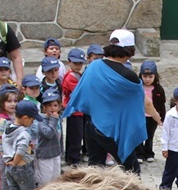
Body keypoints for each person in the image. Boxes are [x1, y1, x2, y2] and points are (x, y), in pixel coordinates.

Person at [63, 29, 160, 174]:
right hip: (113, 132)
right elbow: (144, 103)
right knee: (132, 171)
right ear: (130, 51)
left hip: (92, 126)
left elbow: (83, 93)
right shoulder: (129, 76)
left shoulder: (93, 66)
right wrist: (156, 116)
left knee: (95, 171)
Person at [3, 99, 40, 190]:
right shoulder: (24, 133)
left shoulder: (8, 129)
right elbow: (20, 149)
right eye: (32, 119)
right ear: (25, 118)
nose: (33, 122)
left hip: (9, 167)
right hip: (21, 167)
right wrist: (16, 161)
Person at [0, 84, 19, 190]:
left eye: (15, 101)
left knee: (13, 176)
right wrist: (4, 154)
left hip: (15, 153)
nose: (13, 104)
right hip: (2, 155)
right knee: (5, 176)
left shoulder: (17, 118)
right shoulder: (1, 121)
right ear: (3, 104)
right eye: (9, 101)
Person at [137, 61, 166, 164]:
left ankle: (149, 153)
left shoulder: (158, 89)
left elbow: (162, 104)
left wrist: (162, 117)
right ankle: (139, 153)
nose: (147, 79)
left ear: (155, 76)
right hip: (139, 116)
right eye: (145, 76)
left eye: (150, 77)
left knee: (150, 135)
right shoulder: (138, 87)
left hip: (152, 117)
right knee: (139, 135)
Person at [62, 48, 86, 167]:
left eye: (80, 63)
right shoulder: (71, 77)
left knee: (74, 134)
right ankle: (74, 159)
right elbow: (78, 92)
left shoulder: (77, 75)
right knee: (76, 136)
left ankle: (71, 157)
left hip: (77, 110)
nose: (78, 66)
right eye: (75, 63)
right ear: (69, 62)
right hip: (74, 110)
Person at [35, 89, 62, 187]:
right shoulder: (41, 120)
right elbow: (48, 134)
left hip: (55, 153)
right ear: (44, 107)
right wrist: (53, 120)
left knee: (56, 178)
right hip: (44, 155)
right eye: (49, 105)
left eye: (55, 105)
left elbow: (59, 137)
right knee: (45, 181)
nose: (52, 108)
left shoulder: (57, 118)